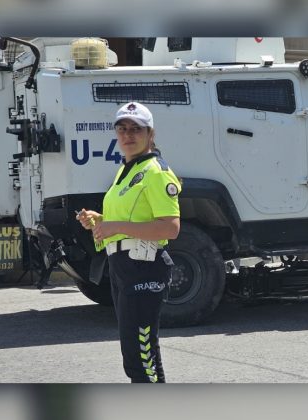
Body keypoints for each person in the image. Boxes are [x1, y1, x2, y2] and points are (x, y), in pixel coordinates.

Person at [76, 102, 181, 383]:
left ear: (150, 134)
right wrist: (99, 220)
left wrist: (115, 225)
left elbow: (170, 228)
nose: (128, 135)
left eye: (136, 129)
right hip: (123, 266)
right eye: (122, 129)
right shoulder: (126, 170)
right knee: (132, 356)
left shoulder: (155, 171)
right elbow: (125, 220)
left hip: (144, 267)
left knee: (143, 358)